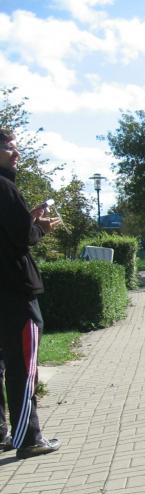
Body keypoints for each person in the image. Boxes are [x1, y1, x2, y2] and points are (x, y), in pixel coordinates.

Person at [0, 128, 62, 459]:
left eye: (16, 147)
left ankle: (3, 432)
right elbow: (21, 238)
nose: (16, 153)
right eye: (9, 147)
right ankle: (28, 438)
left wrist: (27, 220)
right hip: (14, 291)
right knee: (23, 366)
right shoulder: (5, 187)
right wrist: (39, 227)